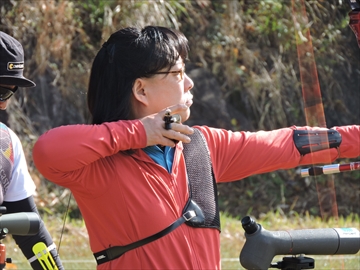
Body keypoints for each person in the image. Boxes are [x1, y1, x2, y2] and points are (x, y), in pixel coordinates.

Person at [32, 26, 360, 269]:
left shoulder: (200, 145)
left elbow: (290, 143)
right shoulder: (97, 164)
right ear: (141, 90)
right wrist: (139, 132)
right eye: (176, 73)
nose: (189, 83)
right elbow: (47, 151)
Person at [0, 31, 64, 270]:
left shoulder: (6, 143)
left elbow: (32, 237)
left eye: (11, 92)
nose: (5, 103)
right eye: (1, 91)